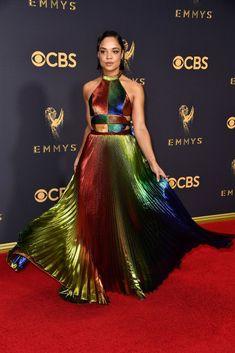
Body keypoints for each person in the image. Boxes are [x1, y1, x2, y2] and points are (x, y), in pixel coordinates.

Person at [7, 30, 235, 305]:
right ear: (97, 54)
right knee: (89, 214)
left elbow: (139, 127)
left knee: (127, 210)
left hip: (124, 154)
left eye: (114, 51)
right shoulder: (89, 88)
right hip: (95, 153)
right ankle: (88, 276)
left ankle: (130, 267)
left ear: (123, 54)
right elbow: (90, 126)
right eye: (103, 51)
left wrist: (153, 162)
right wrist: (80, 154)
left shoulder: (135, 88)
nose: (108, 57)